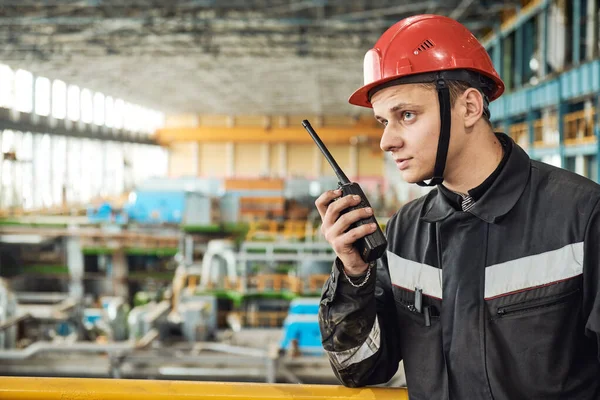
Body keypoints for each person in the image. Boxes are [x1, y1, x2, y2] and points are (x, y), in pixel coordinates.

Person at [315, 14, 600, 400]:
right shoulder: (406, 231)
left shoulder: (581, 216)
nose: (386, 141)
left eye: (407, 115)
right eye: (383, 120)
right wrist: (354, 272)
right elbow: (360, 366)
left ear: (469, 107)